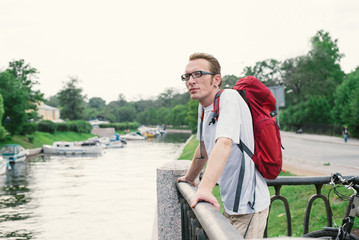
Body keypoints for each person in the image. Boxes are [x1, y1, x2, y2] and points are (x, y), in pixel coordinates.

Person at [177, 53, 270, 238]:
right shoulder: (203, 108)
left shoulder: (229, 98)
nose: (190, 81)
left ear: (216, 80)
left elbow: (224, 143)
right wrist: (190, 178)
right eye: (187, 76)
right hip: (231, 204)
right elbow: (204, 148)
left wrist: (204, 189)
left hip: (249, 205)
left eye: (198, 74)